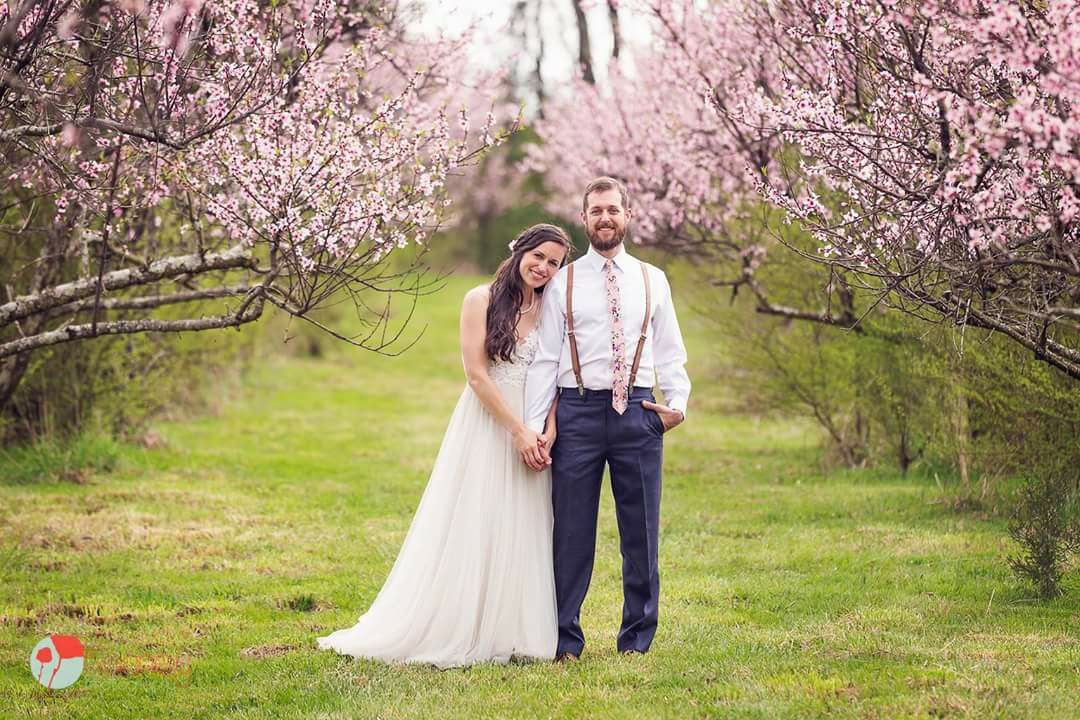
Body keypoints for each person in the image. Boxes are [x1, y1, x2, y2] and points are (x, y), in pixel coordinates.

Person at [317, 224, 572, 668]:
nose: (543, 268)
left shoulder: (553, 308)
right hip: (490, 422)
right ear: (519, 250)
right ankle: (461, 623)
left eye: (554, 263)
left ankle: (513, 630)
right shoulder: (480, 299)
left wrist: (546, 429)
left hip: (534, 428)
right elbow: (476, 375)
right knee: (478, 517)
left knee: (524, 521)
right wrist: (516, 431)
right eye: (539, 256)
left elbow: (556, 373)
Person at [524, 177, 691, 661]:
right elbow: (546, 358)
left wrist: (677, 405)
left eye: (613, 209)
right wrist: (535, 427)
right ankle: (564, 639)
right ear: (584, 218)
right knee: (571, 532)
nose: (605, 218)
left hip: (638, 412)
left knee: (641, 531)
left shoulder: (652, 279)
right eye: (596, 210)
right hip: (577, 411)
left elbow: (670, 349)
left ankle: (636, 638)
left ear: (628, 215)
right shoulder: (564, 281)